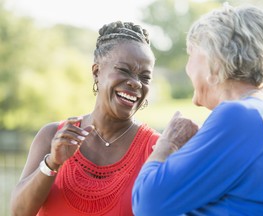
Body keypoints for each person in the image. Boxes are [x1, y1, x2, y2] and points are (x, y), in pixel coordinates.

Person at [132, 4, 263, 216]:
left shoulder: (239, 117)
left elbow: (147, 203)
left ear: (214, 62)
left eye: (191, 53)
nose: (187, 68)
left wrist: (167, 144)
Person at [10, 21, 161, 216]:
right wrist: (52, 163)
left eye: (145, 77)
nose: (135, 83)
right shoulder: (52, 136)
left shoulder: (156, 149)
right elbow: (19, 212)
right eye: (124, 70)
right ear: (97, 72)